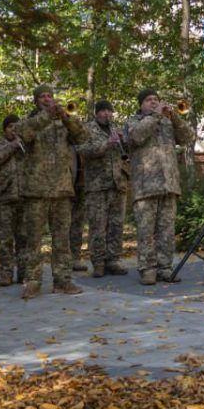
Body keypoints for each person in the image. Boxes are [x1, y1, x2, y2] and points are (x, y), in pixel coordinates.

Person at [16, 85, 90, 298]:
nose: (47, 99)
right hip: (36, 190)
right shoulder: (29, 121)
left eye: (50, 96)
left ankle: (63, 280)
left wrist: (66, 117)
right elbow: (24, 134)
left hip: (62, 189)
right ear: (35, 100)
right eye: (42, 96)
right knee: (33, 240)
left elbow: (83, 137)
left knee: (62, 239)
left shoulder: (63, 123)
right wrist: (46, 116)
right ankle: (32, 281)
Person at [125, 89, 195, 284]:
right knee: (146, 232)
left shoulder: (167, 122)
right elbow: (136, 137)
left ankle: (165, 268)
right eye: (149, 100)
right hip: (145, 187)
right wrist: (156, 115)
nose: (154, 102)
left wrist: (175, 117)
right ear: (141, 105)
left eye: (156, 99)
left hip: (168, 185)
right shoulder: (133, 121)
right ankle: (147, 269)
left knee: (167, 231)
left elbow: (188, 137)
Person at [79, 100, 129, 277]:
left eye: (109, 111)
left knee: (116, 225)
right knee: (97, 226)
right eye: (103, 111)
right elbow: (82, 150)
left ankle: (113, 260)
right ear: (96, 113)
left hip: (117, 183)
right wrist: (105, 144)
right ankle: (98, 262)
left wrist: (124, 141)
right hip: (97, 185)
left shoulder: (115, 128)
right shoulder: (87, 129)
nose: (107, 114)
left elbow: (128, 152)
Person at [0, 115, 26, 286]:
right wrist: (11, 146)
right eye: (10, 127)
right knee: (5, 239)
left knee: (24, 238)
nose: (13, 130)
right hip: (5, 199)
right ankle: (6, 273)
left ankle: (24, 273)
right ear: (4, 130)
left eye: (16, 126)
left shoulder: (26, 144)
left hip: (24, 198)